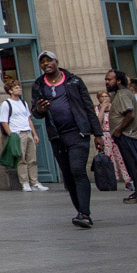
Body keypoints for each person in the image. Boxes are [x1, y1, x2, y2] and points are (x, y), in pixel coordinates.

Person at [29, 51, 103, 228]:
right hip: (57, 136)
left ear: (57, 62)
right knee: (68, 175)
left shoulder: (74, 80)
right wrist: (40, 109)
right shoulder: (39, 85)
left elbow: (88, 107)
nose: (46, 64)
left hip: (78, 132)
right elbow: (35, 113)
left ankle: (84, 213)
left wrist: (98, 134)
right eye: (43, 62)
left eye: (49, 61)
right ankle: (81, 211)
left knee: (78, 170)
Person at [106, 70, 137, 204]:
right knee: (132, 165)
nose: (107, 82)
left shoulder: (124, 94)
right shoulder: (120, 93)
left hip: (130, 135)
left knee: (135, 164)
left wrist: (118, 130)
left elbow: (130, 115)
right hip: (127, 135)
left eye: (109, 80)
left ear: (118, 81)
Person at [0, 80, 46, 192]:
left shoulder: (23, 103)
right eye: (16, 88)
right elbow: (4, 121)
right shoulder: (6, 104)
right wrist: (11, 135)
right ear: (10, 91)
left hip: (27, 132)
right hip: (17, 133)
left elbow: (28, 119)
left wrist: (34, 134)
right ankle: (24, 182)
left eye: (19, 87)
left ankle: (34, 182)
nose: (19, 89)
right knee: (21, 159)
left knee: (32, 159)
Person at [95, 90, 133, 193]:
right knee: (109, 157)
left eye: (106, 96)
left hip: (116, 133)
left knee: (121, 157)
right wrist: (102, 109)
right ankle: (113, 179)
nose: (105, 99)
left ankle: (127, 180)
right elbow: (98, 123)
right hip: (105, 134)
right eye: (102, 97)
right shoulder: (97, 108)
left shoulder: (114, 107)